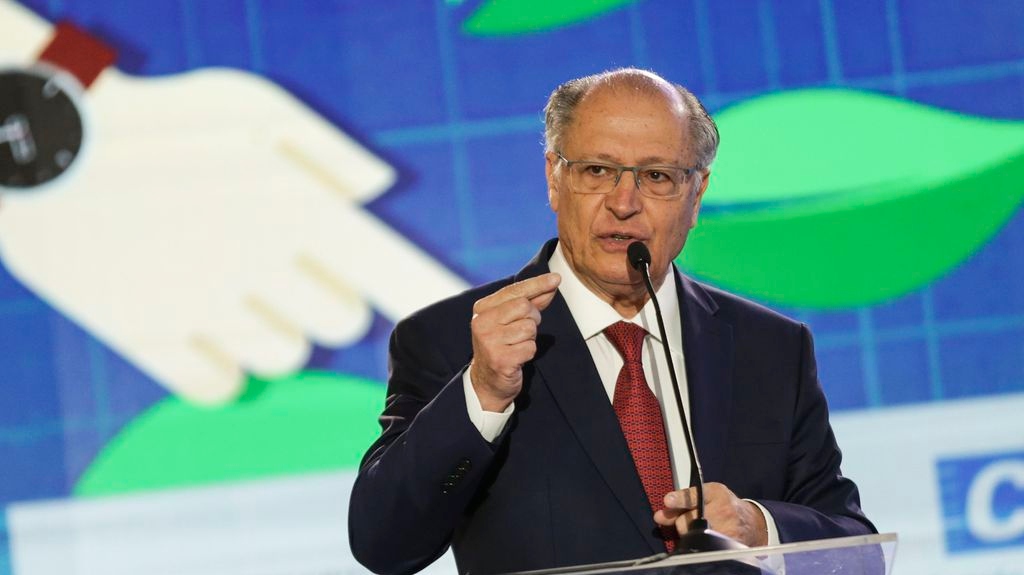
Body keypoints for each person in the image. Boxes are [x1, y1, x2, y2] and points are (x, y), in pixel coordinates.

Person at [348, 68, 875, 575]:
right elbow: (384, 545)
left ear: (696, 195)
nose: (624, 203)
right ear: (555, 178)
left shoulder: (771, 348)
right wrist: (482, 392)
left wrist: (757, 527)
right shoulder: (452, 340)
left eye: (657, 176)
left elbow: (857, 552)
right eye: (597, 171)